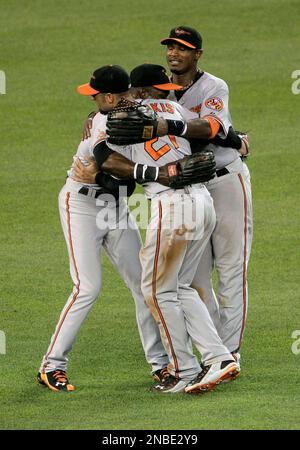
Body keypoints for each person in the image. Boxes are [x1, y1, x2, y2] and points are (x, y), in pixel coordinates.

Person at [74, 63, 239, 394]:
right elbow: (210, 140)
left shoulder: (118, 117)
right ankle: (217, 358)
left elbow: (106, 159)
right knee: (179, 287)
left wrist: (100, 132)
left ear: (133, 91)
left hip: (172, 207)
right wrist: (239, 141)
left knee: (156, 290)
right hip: (202, 204)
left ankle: (184, 370)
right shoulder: (177, 109)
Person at [36, 65, 171, 392]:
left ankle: (162, 365)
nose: (93, 100)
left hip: (114, 207)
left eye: (96, 95)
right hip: (80, 205)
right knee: (87, 287)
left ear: (112, 96)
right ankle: (51, 365)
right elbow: (106, 160)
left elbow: (119, 187)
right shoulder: (102, 120)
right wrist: (145, 174)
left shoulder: (136, 110)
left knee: (144, 285)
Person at [159, 26, 253, 368]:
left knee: (231, 269)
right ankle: (213, 350)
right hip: (192, 190)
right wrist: (94, 116)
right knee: (196, 277)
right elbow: (122, 102)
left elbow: (211, 129)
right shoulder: (161, 92)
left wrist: (170, 126)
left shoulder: (214, 86)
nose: (174, 53)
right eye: (170, 47)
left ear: (197, 54)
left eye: (182, 48)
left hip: (226, 182)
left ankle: (230, 352)